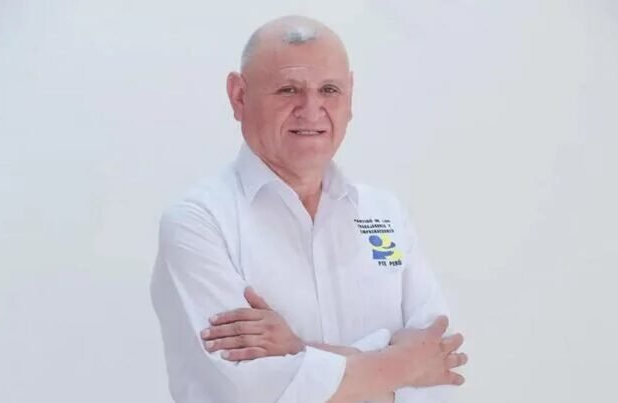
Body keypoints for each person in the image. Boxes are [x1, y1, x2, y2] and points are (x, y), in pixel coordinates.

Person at [150, 15, 468, 403]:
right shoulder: (198, 223)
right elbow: (254, 391)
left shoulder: (385, 213)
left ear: (350, 97)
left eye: (329, 90)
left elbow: (441, 371)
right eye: (288, 90)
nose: (311, 109)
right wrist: (406, 366)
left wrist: (298, 351)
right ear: (239, 96)